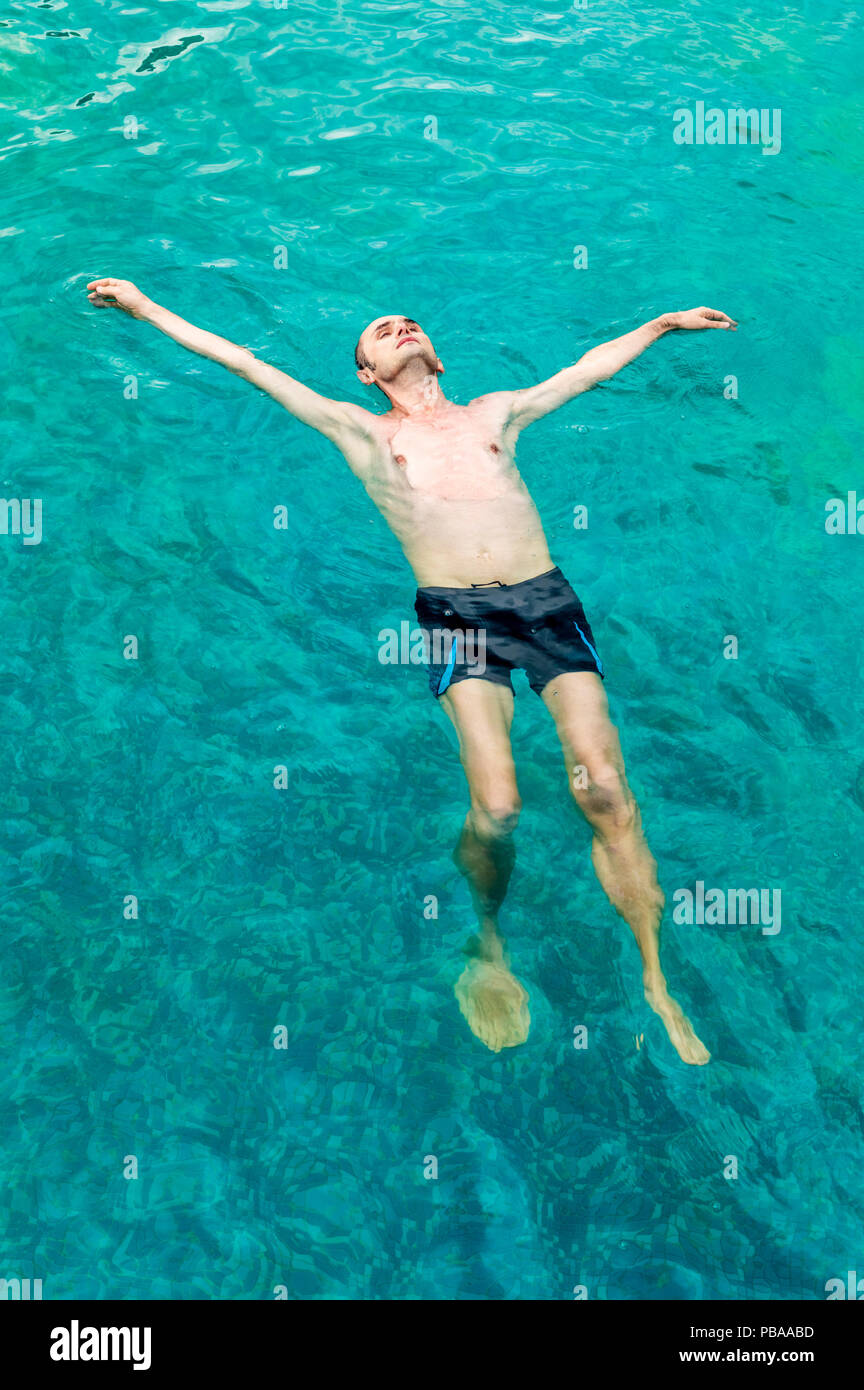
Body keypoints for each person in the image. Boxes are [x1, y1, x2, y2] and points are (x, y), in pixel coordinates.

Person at [87, 276, 737, 1063]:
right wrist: (145, 306)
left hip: (547, 601)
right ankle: (489, 943)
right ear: (365, 372)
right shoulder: (362, 432)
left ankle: (656, 980)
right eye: (380, 330)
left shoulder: (495, 412)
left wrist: (662, 321)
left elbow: (584, 371)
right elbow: (244, 363)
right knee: (498, 808)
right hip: (458, 618)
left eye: (408, 322)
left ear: (434, 352)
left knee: (604, 786)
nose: (398, 326)